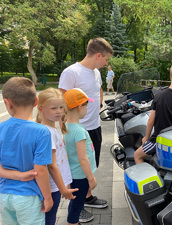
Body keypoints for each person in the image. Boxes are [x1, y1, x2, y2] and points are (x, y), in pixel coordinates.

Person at [59, 37, 112, 221]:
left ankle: (87, 197)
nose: (106, 64)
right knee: (77, 170)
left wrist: (100, 103)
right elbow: (60, 102)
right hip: (77, 130)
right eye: (106, 59)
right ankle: (77, 206)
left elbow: (97, 91)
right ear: (98, 55)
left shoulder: (96, 72)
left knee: (91, 164)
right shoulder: (71, 72)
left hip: (94, 127)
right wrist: (62, 130)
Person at [0, 77, 53, 225]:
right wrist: (48, 198)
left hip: (4, 195)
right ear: (36, 102)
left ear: (7, 103)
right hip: (28, 197)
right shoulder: (41, 132)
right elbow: (40, 171)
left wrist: (18, 176)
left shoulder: (1, 129)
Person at [134, 60, 172, 164]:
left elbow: (150, 121)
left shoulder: (158, 96)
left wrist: (146, 138)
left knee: (137, 155)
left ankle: (148, 179)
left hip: (159, 141)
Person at [36, 88, 79, 225]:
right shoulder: (47, 132)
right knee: (49, 218)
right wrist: (63, 189)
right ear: (40, 108)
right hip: (51, 186)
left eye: (61, 107)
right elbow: (52, 165)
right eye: (54, 108)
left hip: (53, 184)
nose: (59, 111)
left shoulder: (50, 129)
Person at [63, 88, 98, 225]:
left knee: (75, 202)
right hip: (81, 176)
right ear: (79, 107)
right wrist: (91, 178)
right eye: (86, 106)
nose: (87, 109)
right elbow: (83, 158)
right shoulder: (78, 131)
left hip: (73, 174)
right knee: (77, 205)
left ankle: (73, 221)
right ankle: (72, 222)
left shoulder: (66, 126)